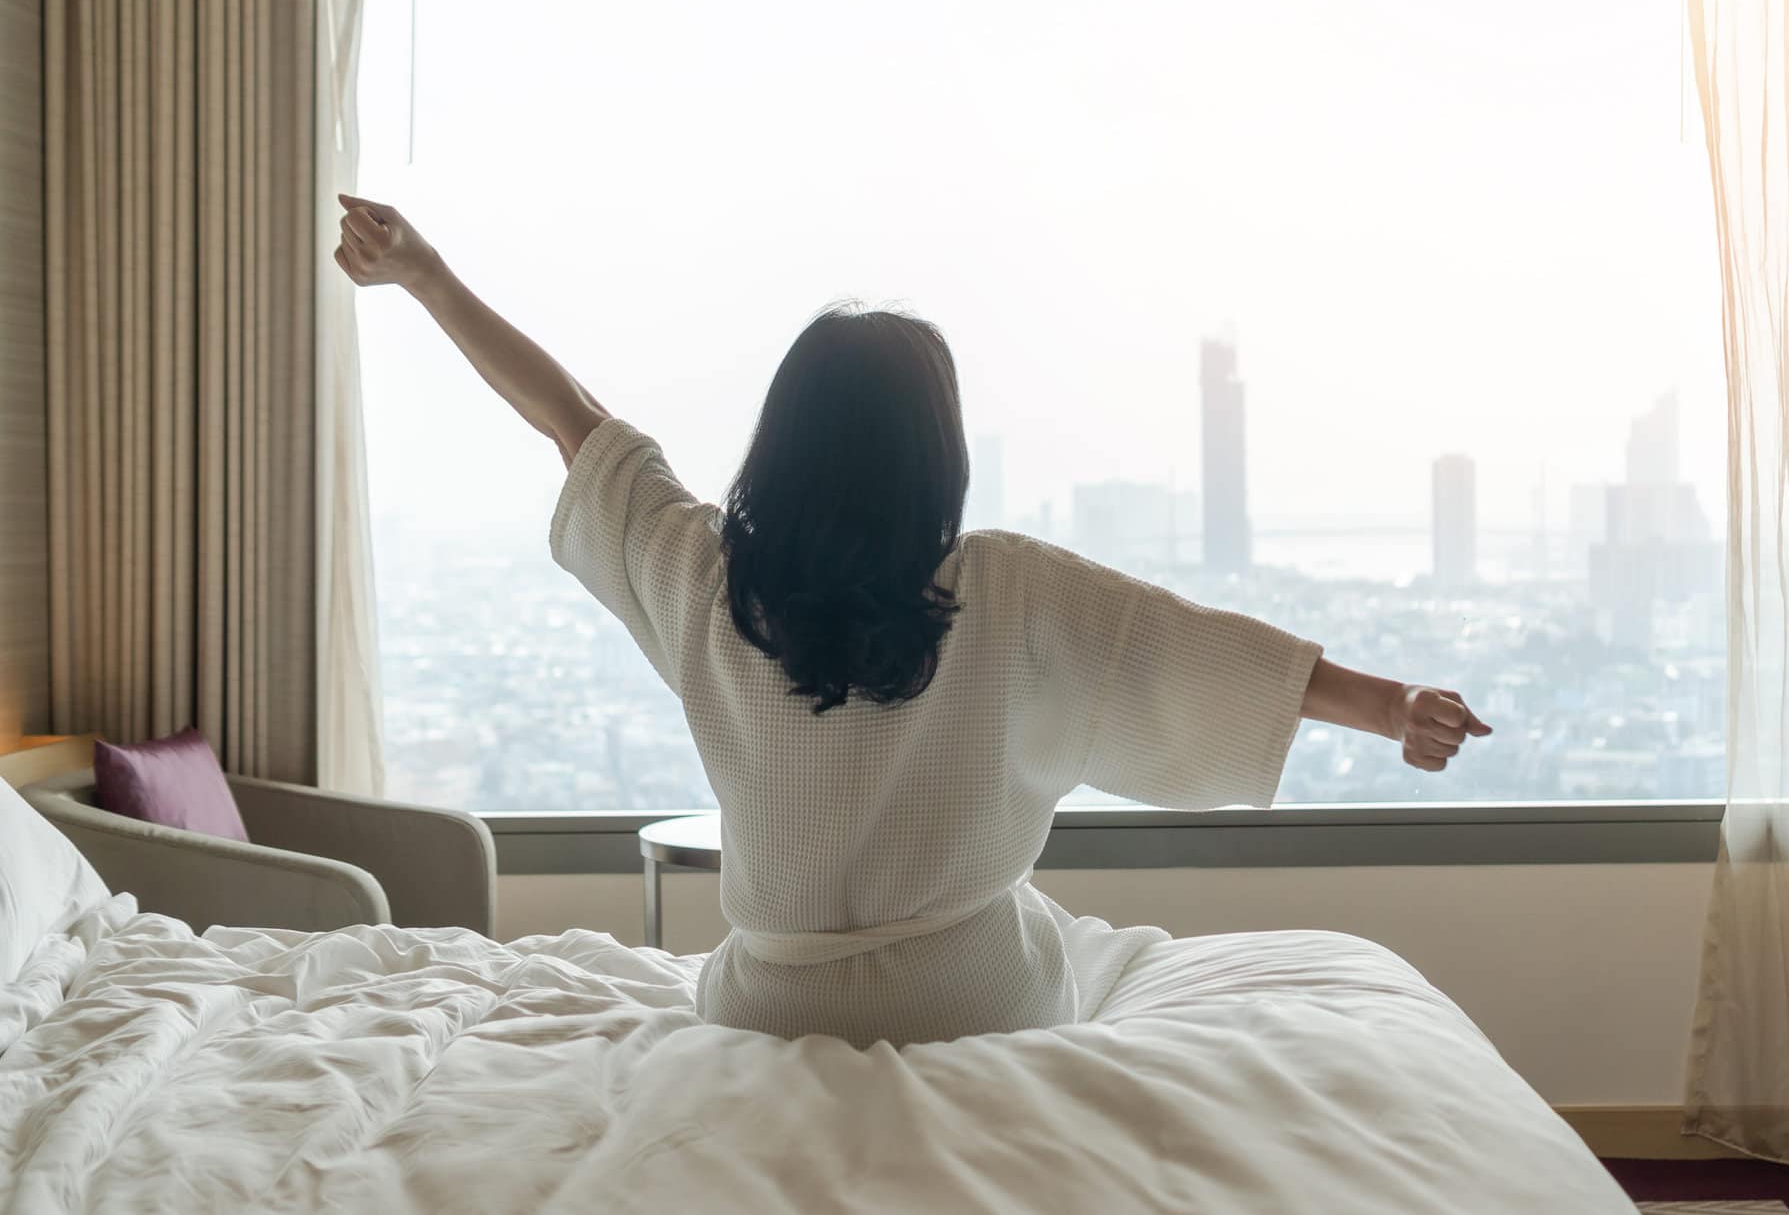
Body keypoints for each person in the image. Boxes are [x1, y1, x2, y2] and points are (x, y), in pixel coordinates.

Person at [332, 193, 1492, 1048]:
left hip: (767, 1009)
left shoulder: (702, 575)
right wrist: (1388, 706)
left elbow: (573, 422)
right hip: (968, 999)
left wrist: (427, 278)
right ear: (934, 453)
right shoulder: (1004, 586)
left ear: (781, 441)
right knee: (1058, 935)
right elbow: (1182, 651)